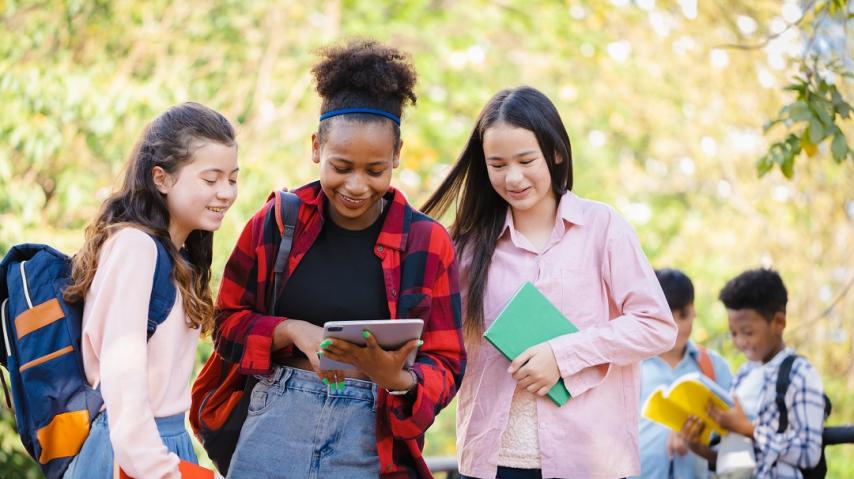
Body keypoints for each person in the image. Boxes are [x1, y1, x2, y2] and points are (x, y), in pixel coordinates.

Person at [212, 40, 465, 478]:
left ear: (397, 158)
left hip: (371, 436)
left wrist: (397, 379)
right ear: (316, 148)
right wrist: (291, 330)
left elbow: (447, 361)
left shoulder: (428, 241)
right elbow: (225, 325)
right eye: (341, 166)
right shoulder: (276, 221)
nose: (356, 185)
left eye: (375, 170)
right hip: (275, 424)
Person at [421, 86, 677, 479]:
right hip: (492, 463)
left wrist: (563, 356)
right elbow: (436, 335)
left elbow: (656, 326)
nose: (513, 177)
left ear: (555, 153)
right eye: (498, 164)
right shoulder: (466, 247)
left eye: (526, 160)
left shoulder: (602, 228)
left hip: (588, 463)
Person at [61, 102, 239, 478]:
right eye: (211, 180)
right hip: (134, 453)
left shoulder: (177, 256)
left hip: (161, 444)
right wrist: (163, 471)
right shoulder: (136, 248)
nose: (226, 193)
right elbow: (123, 390)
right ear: (161, 178)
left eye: (233, 179)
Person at [681, 268, 826, 478]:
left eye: (748, 332)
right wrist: (698, 448)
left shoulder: (800, 374)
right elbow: (739, 459)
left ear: (778, 322)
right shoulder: (743, 375)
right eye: (733, 333)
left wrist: (749, 429)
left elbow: (808, 452)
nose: (740, 341)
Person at [634, 268, 733, 478]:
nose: (676, 327)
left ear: (694, 311)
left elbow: (735, 435)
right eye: (668, 317)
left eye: (683, 315)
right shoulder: (631, 367)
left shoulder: (715, 368)